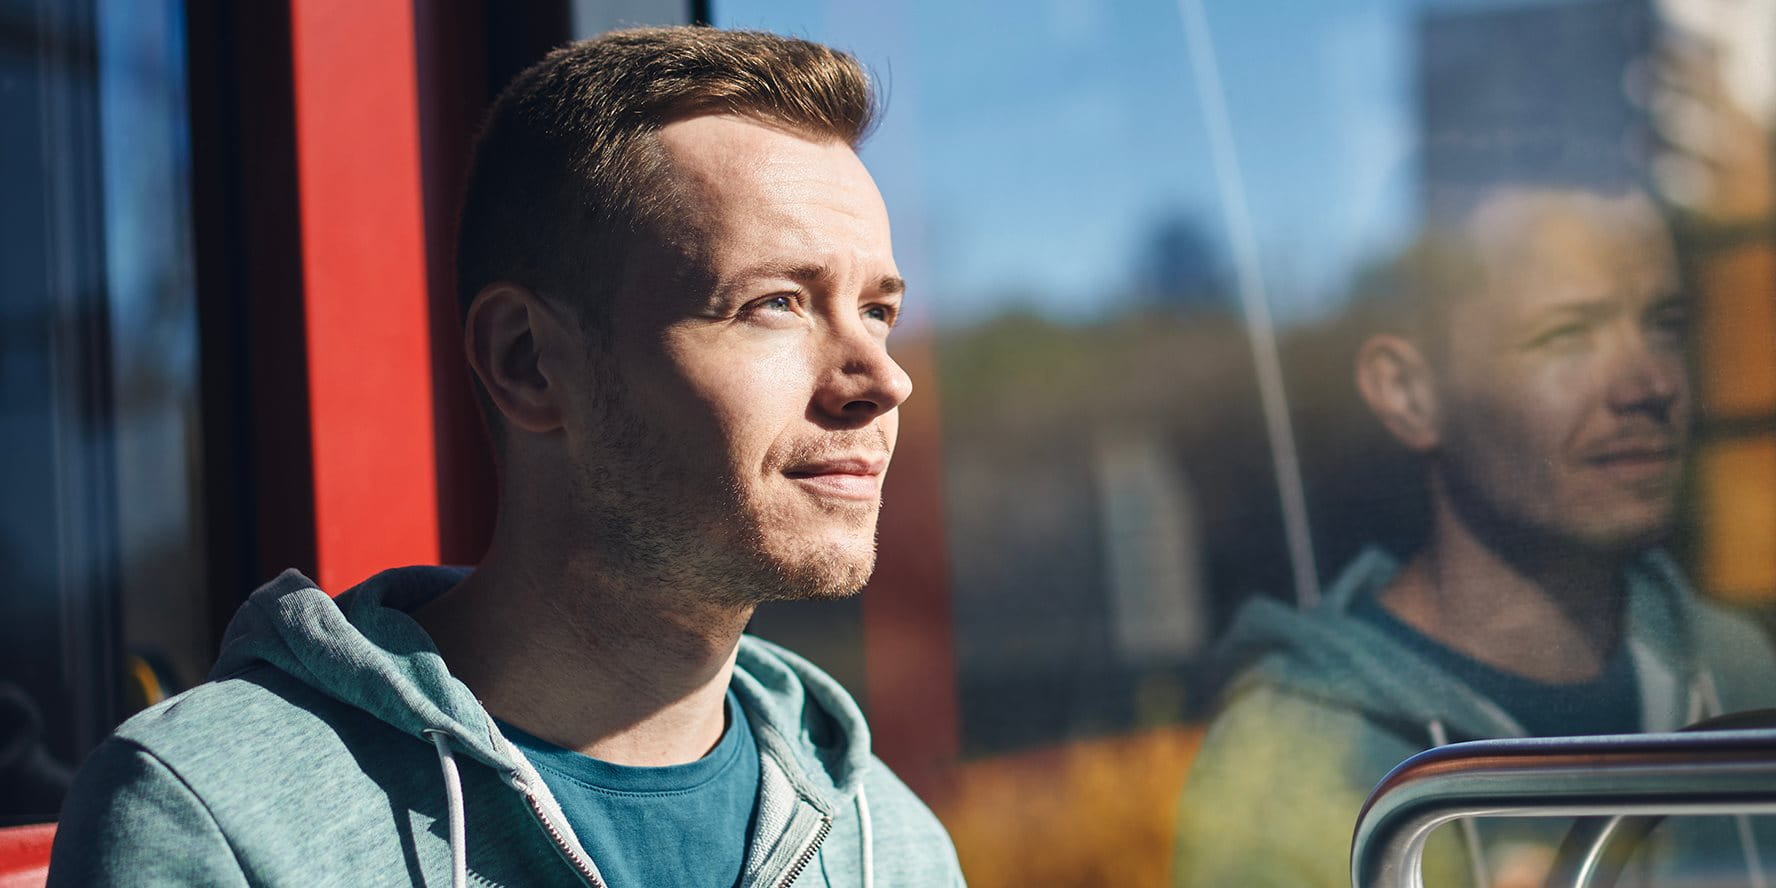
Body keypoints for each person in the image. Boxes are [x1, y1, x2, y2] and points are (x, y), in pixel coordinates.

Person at [48, 27, 963, 887]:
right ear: (527, 361)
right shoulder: (213, 819)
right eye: (776, 303)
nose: (881, 379)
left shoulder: (893, 845)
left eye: (878, 309)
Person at [1172, 186, 1776, 887]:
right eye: (1566, 335)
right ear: (1410, 394)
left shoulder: (1736, 673)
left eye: (1666, 327)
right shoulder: (1292, 765)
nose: (1647, 384)